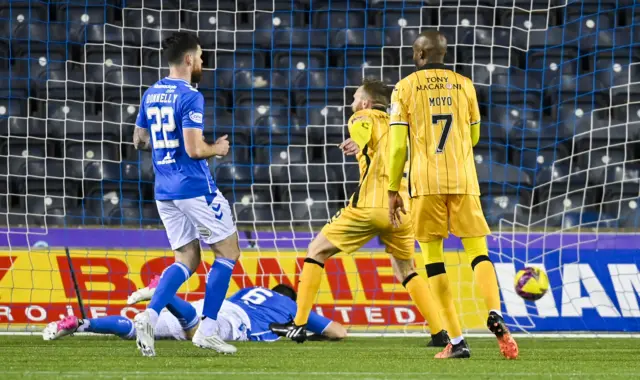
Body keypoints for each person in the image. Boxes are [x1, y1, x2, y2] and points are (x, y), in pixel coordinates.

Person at [269, 79, 450, 350]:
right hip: (404, 209)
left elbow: (362, 127)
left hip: (372, 205)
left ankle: (299, 324)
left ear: (366, 102)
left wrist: (357, 140)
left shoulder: (363, 116)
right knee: (406, 269)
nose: (352, 103)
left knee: (316, 251)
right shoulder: (404, 125)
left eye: (355, 98)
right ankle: (440, 333)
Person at [387, 30, 518, 359]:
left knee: (433, 261)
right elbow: (473, 136)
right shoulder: (465, 85)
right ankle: (494, 312)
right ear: (443, 55)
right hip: (463, 179)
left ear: (419, 55)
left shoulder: (404, 88)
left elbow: (399, 145)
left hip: (425, 183)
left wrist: (392, 188)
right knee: (478, 253)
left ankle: (457, 341)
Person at [132, 31, 240, 356]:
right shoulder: (191, 96)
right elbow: (194, 150)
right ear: (190, 59)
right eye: (202, 56)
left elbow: (139, 140)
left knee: (187, 259)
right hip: (194, 187)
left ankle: (150, 315)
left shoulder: (151, 93)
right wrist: (217, 149)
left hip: (164, 189)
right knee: (229, 251)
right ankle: (207, 329)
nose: (203, 62)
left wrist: (166, 145)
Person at [43, 277, 346, 342]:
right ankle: (167, 294)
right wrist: (303, 326)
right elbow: (338, 332)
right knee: (196, 333)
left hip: (215, 305)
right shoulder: (292, 305)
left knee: (138, 328)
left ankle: (81, 323)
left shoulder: (249, 289)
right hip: (233, 320)